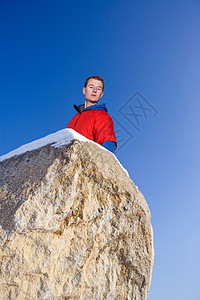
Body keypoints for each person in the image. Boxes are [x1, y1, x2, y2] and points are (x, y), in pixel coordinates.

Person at [67, 75, 117, 153]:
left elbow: (108, 147)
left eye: (98, 88)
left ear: (101, 94)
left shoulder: (102, 115)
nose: (94, 90)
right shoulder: (74, 118)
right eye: (91, 87)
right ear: (84, 90)